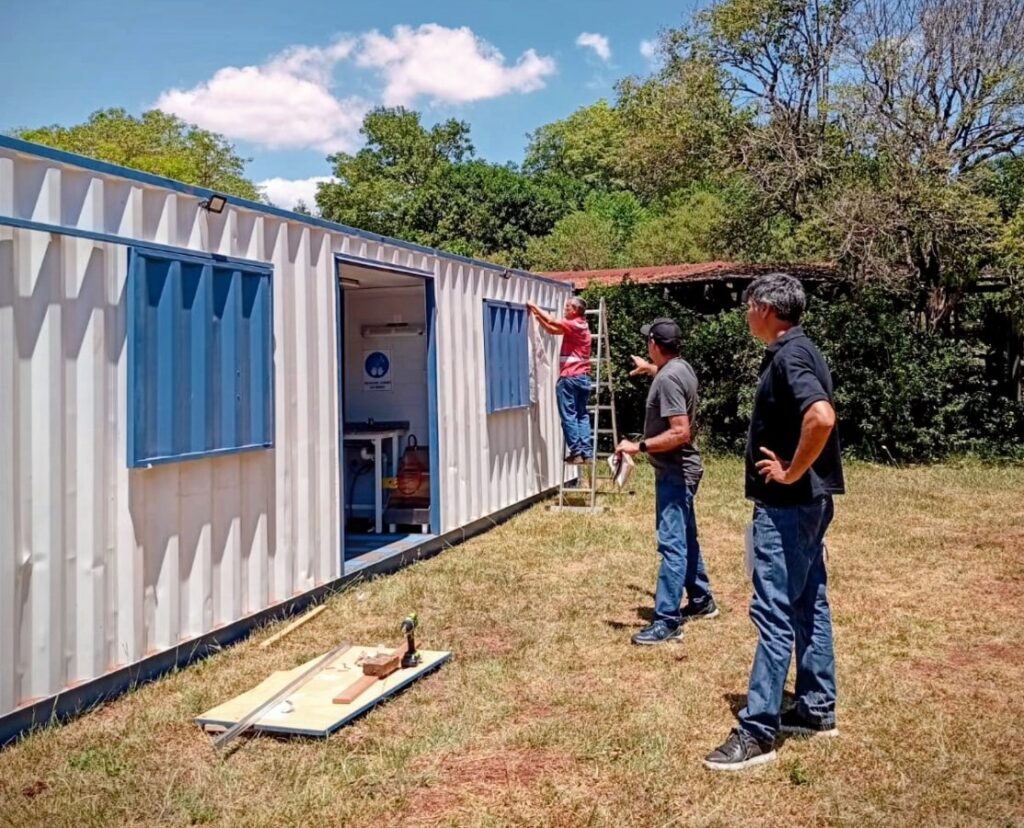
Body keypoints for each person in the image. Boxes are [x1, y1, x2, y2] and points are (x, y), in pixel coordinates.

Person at [704, 273, 845, 771]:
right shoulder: (801, 350)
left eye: (747, 307)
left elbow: (821, 417)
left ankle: (758, 729)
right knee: (809, 602)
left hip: (789, 509)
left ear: (765, 307)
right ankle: (815, 708)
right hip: (809, 505)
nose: (745, 315)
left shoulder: (791, 356)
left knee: (775, 613)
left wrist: (789, 472)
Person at [615, 318, 718, 645]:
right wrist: (650, 369)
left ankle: (667, 621)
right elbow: (670, 381)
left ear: (655, 345)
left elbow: (680, 432)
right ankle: (701, 600)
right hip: (681, 470)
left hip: (676, 472)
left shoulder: (670, 379)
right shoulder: (680, 368)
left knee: (672, 544)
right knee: (686, 537)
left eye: (649, 341)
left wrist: (639, 446)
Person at [526, 297, 593, 463]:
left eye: (567, 307)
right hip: (583, 378)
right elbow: (552, 329)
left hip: (570, 377)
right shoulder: (582, 326)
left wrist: (534, 306)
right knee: (582, 415)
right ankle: (587, 453)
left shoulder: (574, 324)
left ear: (576, 310)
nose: (565, 309)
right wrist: (536, 317)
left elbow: (552, 321)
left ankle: (576, 452)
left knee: (569, 415)